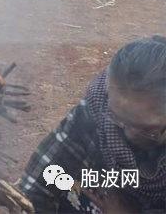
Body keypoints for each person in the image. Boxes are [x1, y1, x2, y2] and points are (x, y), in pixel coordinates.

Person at [21, 35, 166, 213]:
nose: (128, 134)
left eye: (146, 129)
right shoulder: (99, 103)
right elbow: (44, 175)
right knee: (70, 185)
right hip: (118, 183)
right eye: (118, 120)